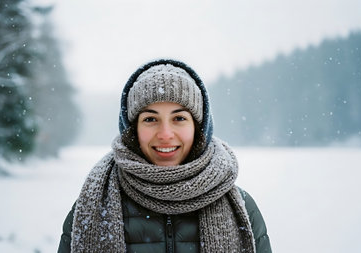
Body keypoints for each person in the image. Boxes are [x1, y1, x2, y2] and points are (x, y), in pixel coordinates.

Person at [57, 59, 272, 253]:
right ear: (133, 131)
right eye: (150, 119)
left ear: (198, 128)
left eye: (179, 118)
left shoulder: (242, 207)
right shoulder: (93, 204)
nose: (165, 134)